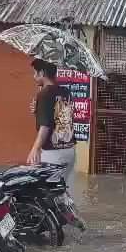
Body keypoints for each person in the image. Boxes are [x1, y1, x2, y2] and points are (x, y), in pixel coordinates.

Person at [27, 58, 77, 194]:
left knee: (47, 195)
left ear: (42, 73)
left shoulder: (44, 94)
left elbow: (45, 125)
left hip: (53, 154)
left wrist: (35, 149)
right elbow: (59, 117)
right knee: (65, 194)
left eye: (35, 73)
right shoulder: (65, 91)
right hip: (69, 150)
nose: (34, 77)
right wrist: (38, 110)